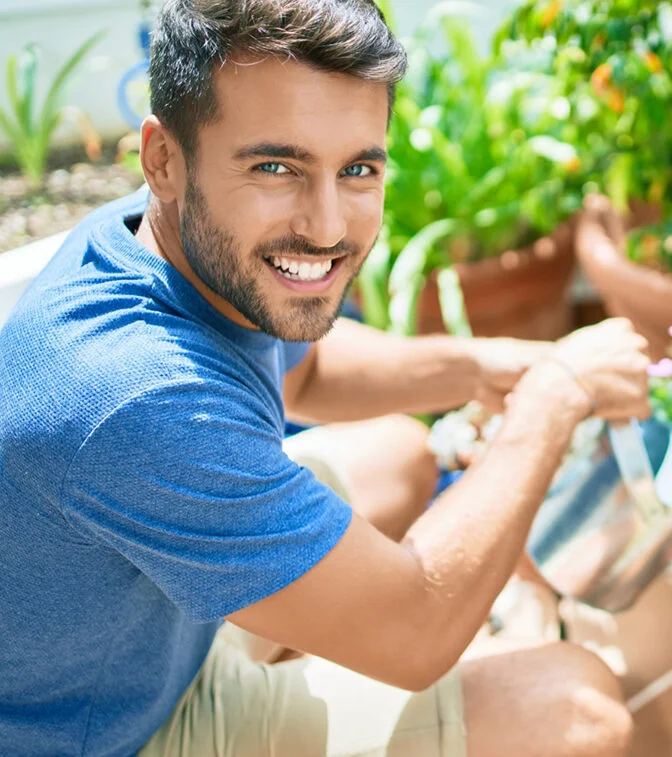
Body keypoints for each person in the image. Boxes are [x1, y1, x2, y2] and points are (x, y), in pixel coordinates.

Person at [0, 1, 651, 756]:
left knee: (400, 456)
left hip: (156, 632)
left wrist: (483, 364)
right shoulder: (138, 397)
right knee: (576, 710)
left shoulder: (168, 231)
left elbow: (306, 374)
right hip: (111, 733)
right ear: (162, 157)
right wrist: (554, 396)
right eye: (276, 167)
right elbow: (417, 634)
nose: (327, 225)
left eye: (358, 169)